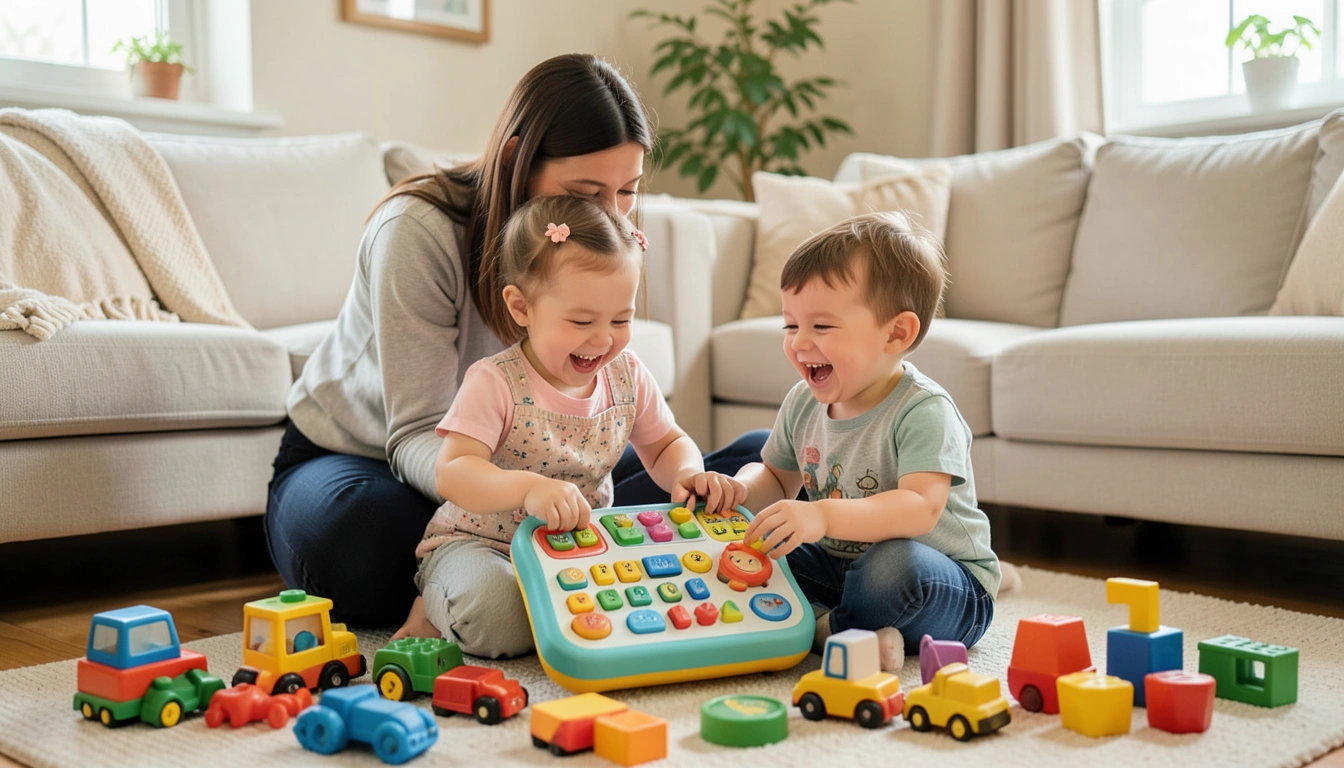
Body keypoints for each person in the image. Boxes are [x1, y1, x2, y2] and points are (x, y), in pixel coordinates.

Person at [265, 53, 769, 627]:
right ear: (517, 159)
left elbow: (648, 438)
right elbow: (413, 436)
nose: (612, 217)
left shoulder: (607, 237)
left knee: (760, 460)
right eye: (587, 192)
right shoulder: (418, 231)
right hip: (370, 456)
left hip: (535, 462)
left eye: (626, 191)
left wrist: (677, 477)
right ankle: (536, 562)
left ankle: (572, 554)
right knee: (366, 549)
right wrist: (514, 493)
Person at [391, 195, 745, 654]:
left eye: (621, 319)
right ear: (522, 308)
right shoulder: (495, 381)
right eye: (581, 321)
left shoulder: (628, 375)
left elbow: (664, 443)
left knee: (642, 606)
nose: (602, 339)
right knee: (502, 621)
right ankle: (431, 607)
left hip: (581, 547)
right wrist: (526, 489)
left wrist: (687, 474)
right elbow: (453, 470)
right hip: (481, 545)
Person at [736, 211, 1003, 672]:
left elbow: (920, 508)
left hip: (943, 581)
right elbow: (776, 482)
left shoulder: (924, 409)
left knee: (892, 568)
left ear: (896, 333)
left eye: (821, 327)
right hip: (839, 568)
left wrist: (820, 514)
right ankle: (846, 627)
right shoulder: (803, 402)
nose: (800, 343)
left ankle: (825, 629)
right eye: (790, 325)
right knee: (751, 543)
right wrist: (738, 490)